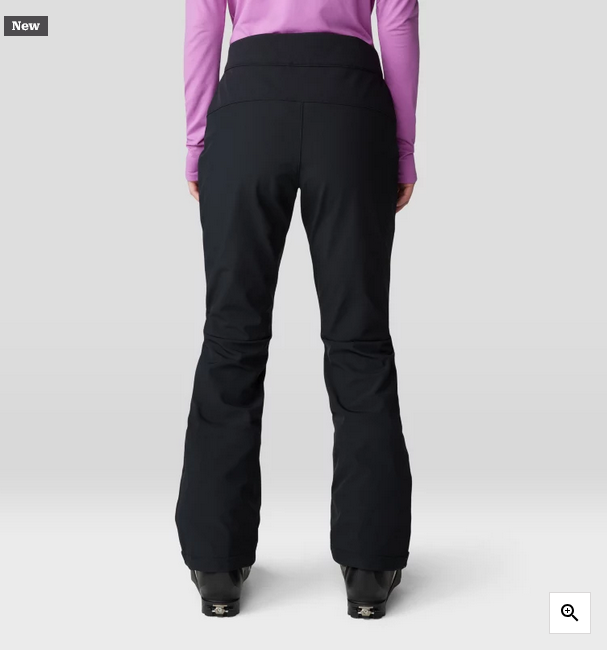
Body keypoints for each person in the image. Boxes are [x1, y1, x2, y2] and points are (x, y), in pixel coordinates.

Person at [175, 0, 419, 619]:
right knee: (360, 338)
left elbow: (204, 23)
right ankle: (369, 567)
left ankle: (216, 565)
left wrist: (198, 142)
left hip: (249, 108)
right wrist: (402, 148)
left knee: (231, 337)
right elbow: (397, 22)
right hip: (352, 110)